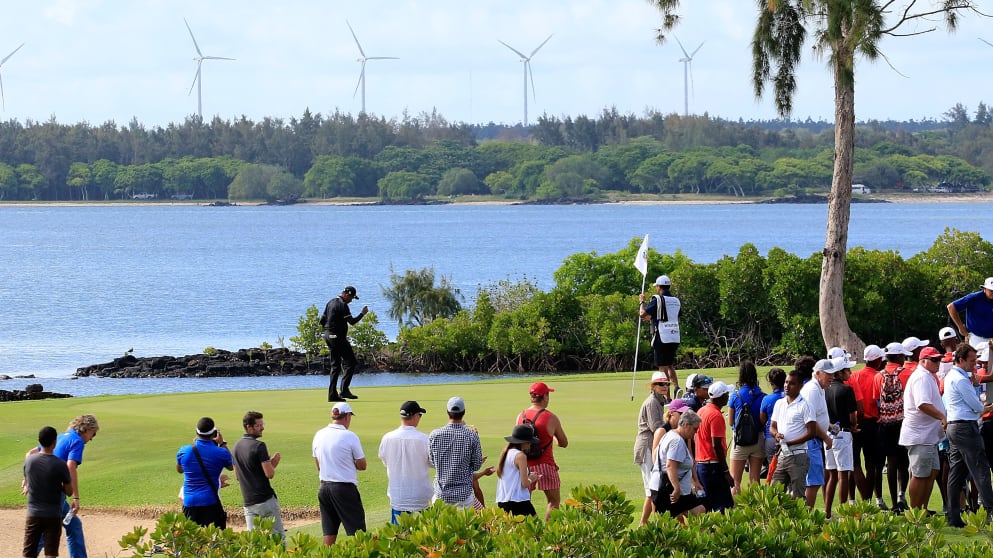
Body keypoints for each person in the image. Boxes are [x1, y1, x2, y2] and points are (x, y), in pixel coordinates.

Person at [31, 414, 99, 558]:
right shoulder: (77, 441)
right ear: (87, 429)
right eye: (93, 434)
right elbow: (70, 467)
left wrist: (27, 478)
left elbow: (31, 453)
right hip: (56, 493)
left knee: (74, 526)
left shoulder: (62, 436)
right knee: (46, 531)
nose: (92, 438)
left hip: (46, 491)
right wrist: (76, 497)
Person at [943, 343, 993, 527]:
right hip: (965, 428)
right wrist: (986, 407)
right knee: (981, 470)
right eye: (972, 361)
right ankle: (990, 513)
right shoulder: (961, 379)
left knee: (957, 473)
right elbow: (977, 406)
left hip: (955, 427)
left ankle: (953, 516)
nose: (975, 364)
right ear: (961, 360)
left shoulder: (953, 376)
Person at [898, 347, 947, 511]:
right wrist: (942, 417)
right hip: (920, 436)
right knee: (920, 475)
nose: (938, 363)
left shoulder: (927, 376)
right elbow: (922, 404)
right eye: (934, 360)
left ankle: (922, 509)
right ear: (923, 360)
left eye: (939, 359)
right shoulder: (921, 377)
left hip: (928, 436)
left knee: (931, 472)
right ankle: (915, 513)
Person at [313, 402, 366, 545]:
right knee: (358, 532)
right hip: (344, 489)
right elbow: (362, 465)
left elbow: (318, 465)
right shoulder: (350, 436)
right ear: (347, 416)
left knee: (329, 531)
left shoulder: (319, 434)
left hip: (324, 488)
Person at [516, 381, 569, 520]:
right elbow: (564, 443)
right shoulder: (551, 417)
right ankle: (548, 535)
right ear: (544, 397)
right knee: (553, 502)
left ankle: (527, 534)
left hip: (525, 465)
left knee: (522, 502)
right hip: (546, 464)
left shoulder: (520, 416)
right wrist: (553, 438)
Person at [232, 411, 284, 539]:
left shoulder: (236, 446)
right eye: (258, 425)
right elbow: (269, 474)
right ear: (249, 427)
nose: (262, 428)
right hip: (265, 500)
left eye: (262, 424)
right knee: (277, 540)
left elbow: (237, 476)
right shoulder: (259, 446)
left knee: (255, 541)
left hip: (248, 502)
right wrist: (273, 463)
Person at [378, 400, 432, 524]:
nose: (420, 418)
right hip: (421, 495)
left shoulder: (387, 437)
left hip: (398, 494)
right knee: (427, 537)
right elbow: (432, 462)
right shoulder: (424, 439)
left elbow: (385, 460)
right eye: (419, 415)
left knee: (400, 536)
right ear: (414, 416)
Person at [22, 426, 72, 558]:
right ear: (54, 442)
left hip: (33, 513)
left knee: (28, 553)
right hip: (53, 514)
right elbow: (69, 491)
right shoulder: (61, 464)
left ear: (40, 441)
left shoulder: (29, 461)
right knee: (50, 553)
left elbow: (28, 480)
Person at [650, 410, 706, 522]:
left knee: (699, 511)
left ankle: (695, 537)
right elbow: (670, 465)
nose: (695, 433)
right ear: (686, 425)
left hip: (670, 488)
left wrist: (695, 481)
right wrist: (676, 488)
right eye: (695, 429)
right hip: (668, 489)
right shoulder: (677, 441)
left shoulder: (671, 435)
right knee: (667, 524)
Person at [176, 417, 233, 529]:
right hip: (210, 502)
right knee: (214, 540)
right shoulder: (221, 453)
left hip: (189, 503)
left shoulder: (184, 451)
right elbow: (232, 466)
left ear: (196, 433)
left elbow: (179, 470)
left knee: (193, 540)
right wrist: (222, 443)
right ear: (214, 434)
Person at [770, 370, 818, 499]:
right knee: (775, 493)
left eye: (791, 383)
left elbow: (811, 432)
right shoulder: (779, 403)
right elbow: (772, 427)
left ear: (800, 386)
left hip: (798, 456)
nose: (787, 386)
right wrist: (776, 434)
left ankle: (799, 519)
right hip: (782, 455)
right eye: (786, 382)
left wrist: (790, 442)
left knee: (798, 495)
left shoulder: (805, 405)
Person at [429, 396, 484, 509]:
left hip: (440, 496)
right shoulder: (472, 436)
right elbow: (477, 465)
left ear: (447, 412)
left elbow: (433, 462)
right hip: (463, 498)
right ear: (463, 412)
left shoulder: (434, 435)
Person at [876, 341, 912, 511]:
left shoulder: (878, 376)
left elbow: (876, 401)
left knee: (891, 462)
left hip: (885, 424)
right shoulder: (907, 374)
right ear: (899, 356)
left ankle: (892, 501)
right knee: (904, 462)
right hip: (903, 422)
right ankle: (901, 495)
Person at [852, 344, 886, 507]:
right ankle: (875, 499)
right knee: (873, 465)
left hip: (856, 423)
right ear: (878, 360)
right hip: (873, 423)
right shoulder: (879, 376)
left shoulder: (854, 375)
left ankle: (853, 500)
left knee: (854, 463)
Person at [798, 358, 835, 508]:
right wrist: (827, 438)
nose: (832, 377)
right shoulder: (812, 390)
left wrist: (829, 426)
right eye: (828, 374)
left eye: (833, 374)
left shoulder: (818, 388)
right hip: (810, 442)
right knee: (813, 482)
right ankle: (807, 519)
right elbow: (810, 421)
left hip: (813, 440)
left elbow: (817, 416)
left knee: (813, 481)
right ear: (818, 373)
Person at [321, 285, 369, 402]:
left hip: (328, 336)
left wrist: (329, 332)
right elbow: (352, 322)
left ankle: (333, 395)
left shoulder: (331, 302)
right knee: (351, 362)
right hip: (337, 338)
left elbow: (322, 320)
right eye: (351, 297)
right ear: (346, 294)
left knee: (335, 366)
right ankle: (344, 390)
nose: (351, 300)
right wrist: (362, 314)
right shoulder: (342, 305)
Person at [824, 355, 858, 518]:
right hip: (843, 433)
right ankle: (844, 513)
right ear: (839, 372)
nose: (850, 372)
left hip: (828, 433)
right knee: (843, 474)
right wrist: (854, 426)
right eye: (847, 370)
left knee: (832, 474)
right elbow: (852, 417)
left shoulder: (825, 389)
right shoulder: (846, 390)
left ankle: (828, 512)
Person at [634, 371, 671, 524]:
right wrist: (672, 425)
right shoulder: (651, 402)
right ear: (653, 386)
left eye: (667, 384)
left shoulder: (660, 401)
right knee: (652, 489)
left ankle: (645, 522)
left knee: (653, 488)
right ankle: (649, 522)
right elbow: (655, 427)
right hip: (647, 447)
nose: (665, 387)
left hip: (652, 446)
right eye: (661, 384)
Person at [695, 380, 734, 511]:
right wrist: (726, 472)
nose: (728, 397)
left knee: (708, 507)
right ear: (721, 397)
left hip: (701, 465)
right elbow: (716, 445)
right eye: (726, 394)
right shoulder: (716, 415)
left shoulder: (701, 410)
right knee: (724, 507)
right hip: (713, 467)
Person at [639, 275, 681, 396]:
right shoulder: (676, 300)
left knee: (662, 368)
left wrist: (642, 302)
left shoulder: (657, 299)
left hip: (662, 336)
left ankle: (667, 397)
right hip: (675, 336)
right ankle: (677, 387)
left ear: (659, 287)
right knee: (669, 365)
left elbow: (642, 314)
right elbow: (674, 315)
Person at [728, 361, 766, 495]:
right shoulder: (762, 396)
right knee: (755, 480)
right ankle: (757, 511)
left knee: (735, 481)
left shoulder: (735, 395)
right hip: (758, 439)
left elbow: (731, 421)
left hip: (740, 441)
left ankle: (735, 513)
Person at [495, 425, 542, 517]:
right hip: (518, 500)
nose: (530, 444)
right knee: (535, 526)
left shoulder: (506, 452)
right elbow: (525, 484)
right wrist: (532, 478)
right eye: (529, 442)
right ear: (522, 442)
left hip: (503, 500)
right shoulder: (521, 456)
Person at [948, 278, 993, 351]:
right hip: (976, 339)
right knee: (977, 361)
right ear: (984, 289)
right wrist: (960, 327)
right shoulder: (974, 297)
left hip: (992, 339)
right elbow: (951, 307)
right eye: (991, 290)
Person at [759, 368, 786, 481]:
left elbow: (762, 420)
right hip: (788, 436)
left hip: (771, 437)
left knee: (774, 469)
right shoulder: (789, 397)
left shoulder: (767, 399)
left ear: (771, 383)